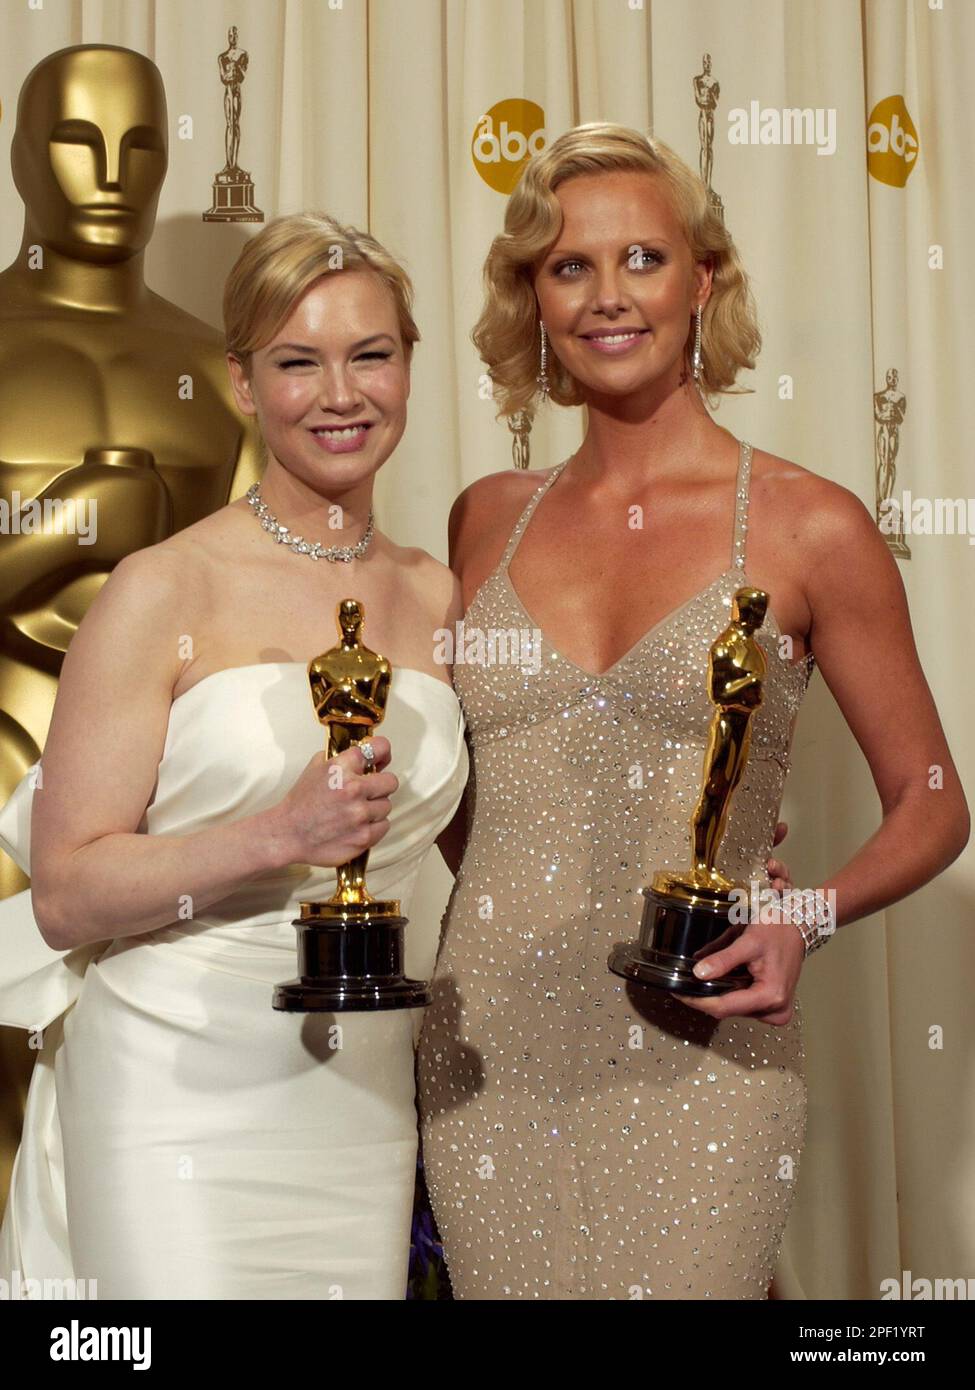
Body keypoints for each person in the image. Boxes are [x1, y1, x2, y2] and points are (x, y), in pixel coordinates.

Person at [416, 124, 969, 1300]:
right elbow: (457, 794)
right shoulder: (485, 519)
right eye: (570, 267)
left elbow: (932, 803)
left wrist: (801, 915)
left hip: (702, 1053)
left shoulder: (812, 525)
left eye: (644, 261)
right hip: (488, 1052)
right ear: (535, 297)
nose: (609, 297)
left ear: (702, 281)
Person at [0, 212, 468, 1299]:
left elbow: (485, 842)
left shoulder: (444, 595)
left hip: (360, 1101)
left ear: (408, 366)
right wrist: (279, 836)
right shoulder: (162, 586)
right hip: (171, 1095)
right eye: (297, 362)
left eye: (371, 355)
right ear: (243, 384)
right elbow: (68, 892)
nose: (339, 394)